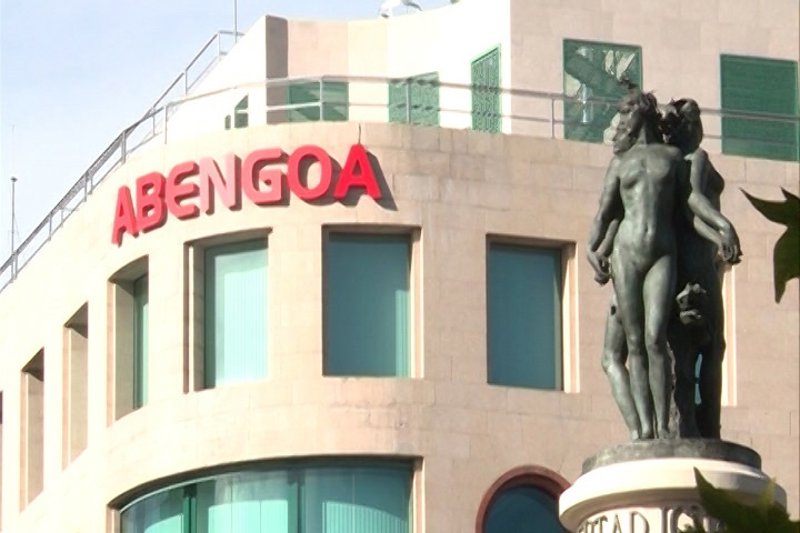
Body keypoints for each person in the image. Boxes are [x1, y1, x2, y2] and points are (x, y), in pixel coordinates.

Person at [588, 83, 684, 439]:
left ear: (642, 111)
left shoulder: (672, 157)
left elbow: (688, 207)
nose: (621, 120)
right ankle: (643, 429)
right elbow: (604, 213)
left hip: (662, 251)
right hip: (626, 252)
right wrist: (591, 248)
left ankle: (663, 426)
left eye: (626, 112)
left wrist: (719, 230)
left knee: (655, 337)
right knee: (634, 341)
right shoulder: (619, 164)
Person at [662, 99, 741, 438]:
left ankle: (687, 423)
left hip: (686, 254)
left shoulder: (671, 162)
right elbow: (695, 200)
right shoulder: (696, 157)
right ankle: (709, 426)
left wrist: (717, 236)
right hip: (697, 260)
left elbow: (690, 214)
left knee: (684, 346)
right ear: (693, 126)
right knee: (713, 346)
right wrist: (725, 227)